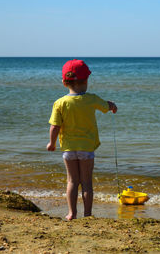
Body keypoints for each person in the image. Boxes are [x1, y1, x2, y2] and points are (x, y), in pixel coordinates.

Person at [46, 59, 117, 220]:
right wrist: (112, 105)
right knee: (86, 182)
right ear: (85, 81)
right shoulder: (91, 99)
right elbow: (106, 106)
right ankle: (87, 214)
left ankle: (72, 213)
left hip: (68, 149)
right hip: (86, 148)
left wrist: (52, 143)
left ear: (65, 82)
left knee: (72, 181)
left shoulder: (60, 103)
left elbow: (54, 126)